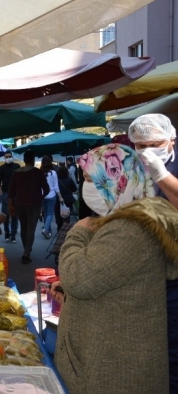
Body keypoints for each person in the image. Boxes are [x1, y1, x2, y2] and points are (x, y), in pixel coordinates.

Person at [50, 143, 178, 394]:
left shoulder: (130, 228)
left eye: (89, 179)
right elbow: (112, 278)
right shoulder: (124, 221)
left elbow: (79, 278)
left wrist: (77, 234)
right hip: (112, 358)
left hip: (115, 371)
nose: (86, 186)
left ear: (115, 179)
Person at [127, 113, 178, 393]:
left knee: (173, 344)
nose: (147, 152)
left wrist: (161, 174)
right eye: (140, 146)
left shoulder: (165, 166)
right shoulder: (134, 166)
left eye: (155, 144)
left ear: (172, 139)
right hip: (149, 266)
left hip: (175, 268)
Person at [8, 150, 49, 263]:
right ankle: (26, 253)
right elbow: (46, 189)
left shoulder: (16, 172)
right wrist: (40, 197)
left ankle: (26, 250)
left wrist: (10, 205)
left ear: (24, 160)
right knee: (31, 228)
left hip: (19, 204)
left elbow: (11, 190)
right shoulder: (38, 173)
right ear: (33, 159)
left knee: (24, 227)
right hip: (34, 204)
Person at [0, 151, 20, 243]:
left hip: (16, 193)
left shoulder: (17, 166)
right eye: (6, 157)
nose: (8, 158)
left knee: (15, 215)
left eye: (9, 156)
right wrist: (1, 193)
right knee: (6, 215)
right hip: (5, 193)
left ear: (12, 157)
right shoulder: (1, 168)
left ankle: (13, 235)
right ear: (4, 157)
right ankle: (7, 233)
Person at [40, 155, 61, 239]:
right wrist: (60, 196)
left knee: (45, 213)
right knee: (50, 214)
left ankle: (48, 231)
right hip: (52, 195)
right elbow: (56, 186)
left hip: (42, 196)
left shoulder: (40, 172)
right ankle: (46, 229)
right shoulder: (53, 172)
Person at [54, 166, 77, 232]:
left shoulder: (56, 181)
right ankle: (66, 228)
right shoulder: (69, 180)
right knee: (67, 215)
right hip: (67, 199)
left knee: (58, 214)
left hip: (58, 199)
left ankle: (59, 228)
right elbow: (74, 189)